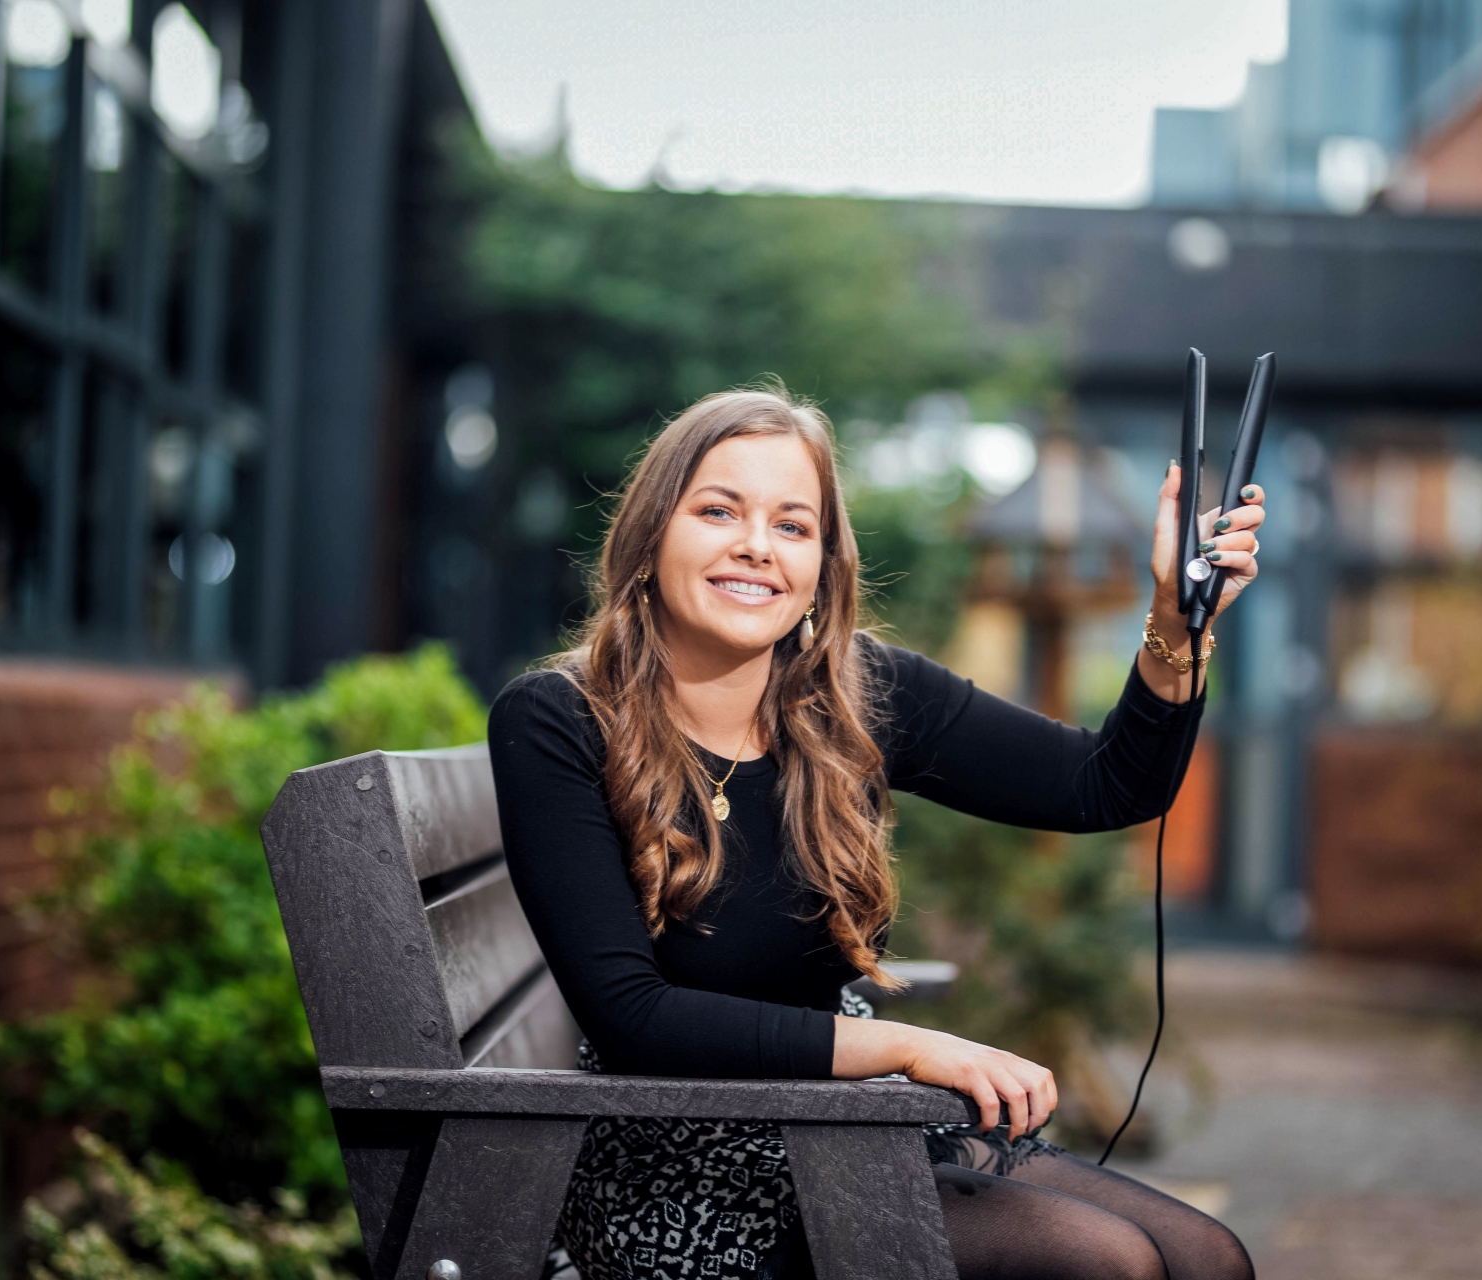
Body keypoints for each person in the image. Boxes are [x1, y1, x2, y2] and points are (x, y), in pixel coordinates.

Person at [489, 387, 1263, 1280]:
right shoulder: (561, 721)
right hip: (677, 1177)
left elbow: (1102, 785)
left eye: (793, 525)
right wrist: (911, 1048)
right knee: (1110, 1264)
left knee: (1208, 1256)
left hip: (845, 1127)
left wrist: (1173, 616)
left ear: (823, 566)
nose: (757, 546)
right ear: (650, 537)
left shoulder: (855, 696)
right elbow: (635, 1018)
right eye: (718, 511)